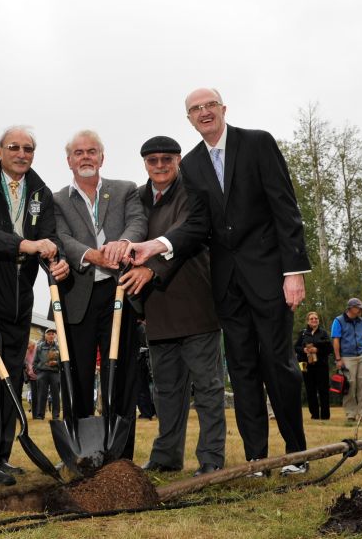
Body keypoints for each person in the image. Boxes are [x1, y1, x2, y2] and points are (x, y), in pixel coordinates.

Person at [127, 88, 312, 476]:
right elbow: (197, 225)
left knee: (278, 362)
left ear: (223, 109)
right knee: (242, 367)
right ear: (189, 119)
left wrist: (293, 271)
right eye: (196, 109)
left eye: (210, 105)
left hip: (270, 276)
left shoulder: (257, 143)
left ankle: (296, 454)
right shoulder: (191, 165)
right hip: (226, 284)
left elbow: (285, 206)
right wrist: (156, 245)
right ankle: (256, 459)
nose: (204, 112)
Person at [0, 125, 69, 486]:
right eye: (14, 147)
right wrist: (29, 245)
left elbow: (49, 235)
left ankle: (2, 456)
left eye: (28, 148)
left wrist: (55, 255)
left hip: (22, 298)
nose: (21, 154)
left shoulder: (40, 190)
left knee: (14, 374)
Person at [133, 135, 227, 476]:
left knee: (208, 387)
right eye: (152, 160)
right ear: (144, 163)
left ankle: (211, 458)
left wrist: (151, 267)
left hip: (195, 301)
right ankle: (166, 456)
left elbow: (187, 234)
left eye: (166, 159)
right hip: (156, 307)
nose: (160, 166)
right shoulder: (138, 198)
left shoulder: (194, 191)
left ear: (178, 159)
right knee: (167, 390)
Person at [53, 130, 147, 460]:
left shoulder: (124, 190)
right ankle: (81, 454)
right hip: (78, 296)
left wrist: (124, 243)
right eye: (78, 152)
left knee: (121, 374)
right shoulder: (58, 200)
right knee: (76, 375)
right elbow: (60, 237)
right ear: (69, 161)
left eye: (92, 151)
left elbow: (138, 223)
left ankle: (121, 457)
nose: (86, 157)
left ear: (102, 157)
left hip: (120, 291)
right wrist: (91, 255)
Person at [331, 298, 362, 422]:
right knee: (349, 384)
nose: (361, 310)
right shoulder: (338, 321)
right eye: (359, 307)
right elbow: (336, 340)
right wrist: (338, 359)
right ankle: (351, 413)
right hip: (346, 357)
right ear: (351, 308)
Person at [295, 311, 332, 421]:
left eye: (316, 318)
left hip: (321, 365)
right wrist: (304, 350)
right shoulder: (303, 333)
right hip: (306, 366)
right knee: (310, 390)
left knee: (323, 390)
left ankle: (325, 415)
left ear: (318, 320)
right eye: (311, 318)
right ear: (308, 321)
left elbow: (329, 349)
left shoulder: (323, 333)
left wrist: (318, 349)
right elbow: (295, 347)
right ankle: (314, 415)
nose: (314, 320)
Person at [31, 328, 60, 420]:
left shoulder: (59, 347)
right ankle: (40, 415)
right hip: (42, 373)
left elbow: (63, 361)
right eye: (49, 334)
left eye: (52, 334)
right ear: (45, 336)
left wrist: (56, 363)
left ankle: (55, 415)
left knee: (55, 395)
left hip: (55, 373)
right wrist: (38, 372)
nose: (51, 335)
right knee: (41, 394)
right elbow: (35, 361)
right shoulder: (39, 347)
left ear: (55, 336)